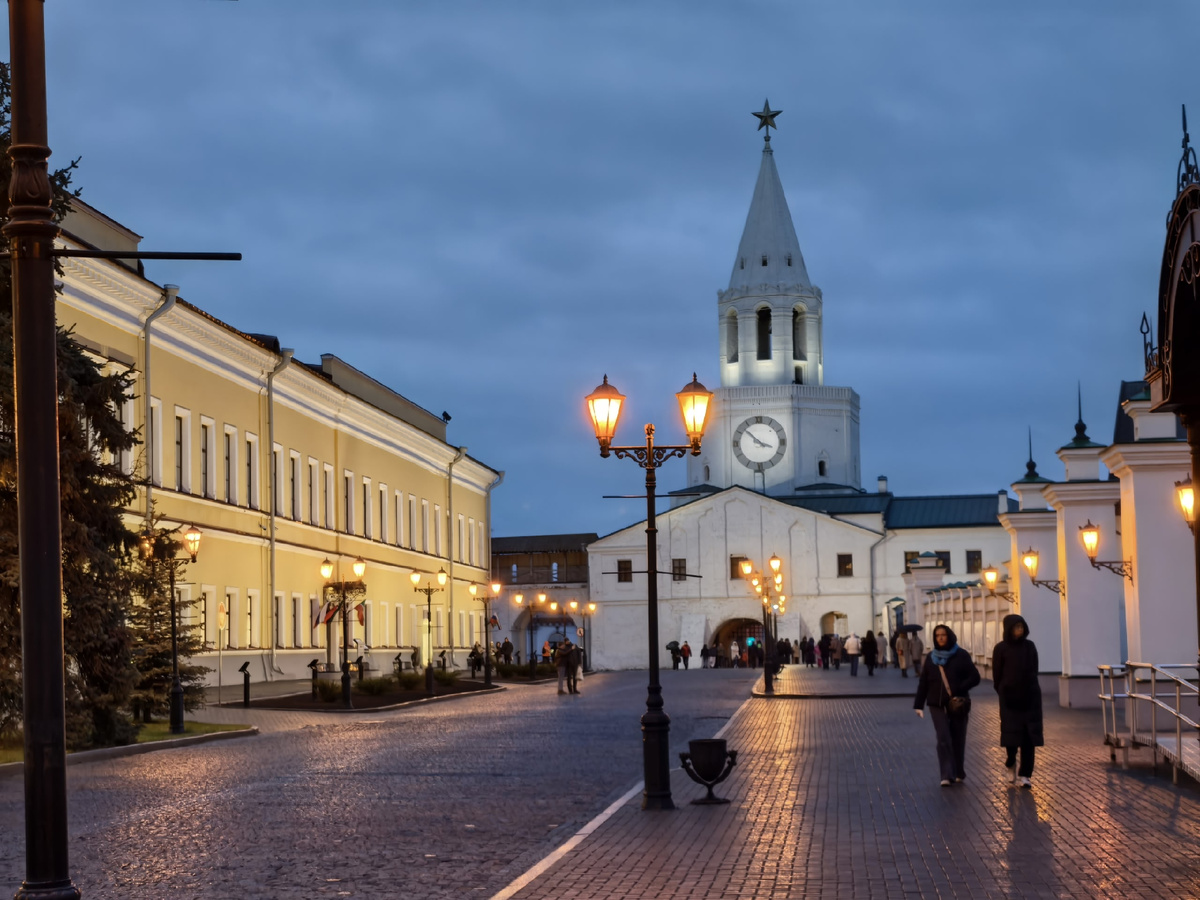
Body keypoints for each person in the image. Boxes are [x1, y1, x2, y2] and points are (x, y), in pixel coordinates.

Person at [913, 624, 981, 786]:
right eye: (937, 636)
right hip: (936, 704)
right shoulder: (931, 657)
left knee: (958, 738)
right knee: (943, 738)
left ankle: (958, 771)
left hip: (958, 703)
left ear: (949, 636)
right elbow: (924, 683)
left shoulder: (961, 655)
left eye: (943, 635)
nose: (941, 638)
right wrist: (919, 705)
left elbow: (975, 677)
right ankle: (945, 774)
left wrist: (960, 688)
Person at [992, 614, 1043, 788]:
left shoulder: (1030, 647)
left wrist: (1030, 688)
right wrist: (1004, 691)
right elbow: (996, 676)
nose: (1019, 630)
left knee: (1029, 738)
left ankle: (1025, 774)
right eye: (1016, 627)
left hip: (1030, 699)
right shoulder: (1001, 649)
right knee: (1011, 737)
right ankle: (1011, 762)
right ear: (1009, 629)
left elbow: (1034, 669)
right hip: (1009, 700)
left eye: (1021, 627)